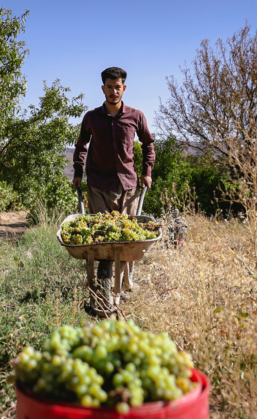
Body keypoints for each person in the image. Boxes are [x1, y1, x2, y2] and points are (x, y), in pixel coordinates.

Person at [72, 67, 155, 307]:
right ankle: (103, 288)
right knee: (102, 238)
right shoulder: (91, 118)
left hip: (127, 185)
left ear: (123, 88)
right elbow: (81, 147)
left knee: (125, 240)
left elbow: (148, 144)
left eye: (117, 87)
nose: (113, 91)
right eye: (109, 86)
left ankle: (124, 286)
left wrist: (147, 172)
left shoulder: (135, 116)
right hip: (98, 185)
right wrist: (78, 172)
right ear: (103, 89)